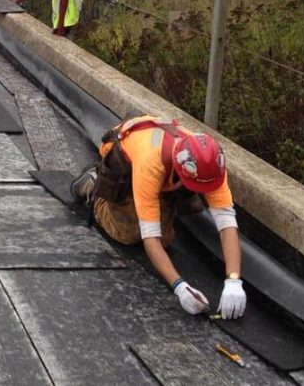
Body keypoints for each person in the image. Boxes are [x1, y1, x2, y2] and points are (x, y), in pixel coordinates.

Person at [70, 116, 247, 320]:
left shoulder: (212, 165)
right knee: (128, 234)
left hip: (164, 170)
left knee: (166, 239)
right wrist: (179, 286)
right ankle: (95, 187)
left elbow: (227, 223)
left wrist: (234, 280)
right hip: (123, 160)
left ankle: (158, 195)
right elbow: (150, 238)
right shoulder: (150, 164)